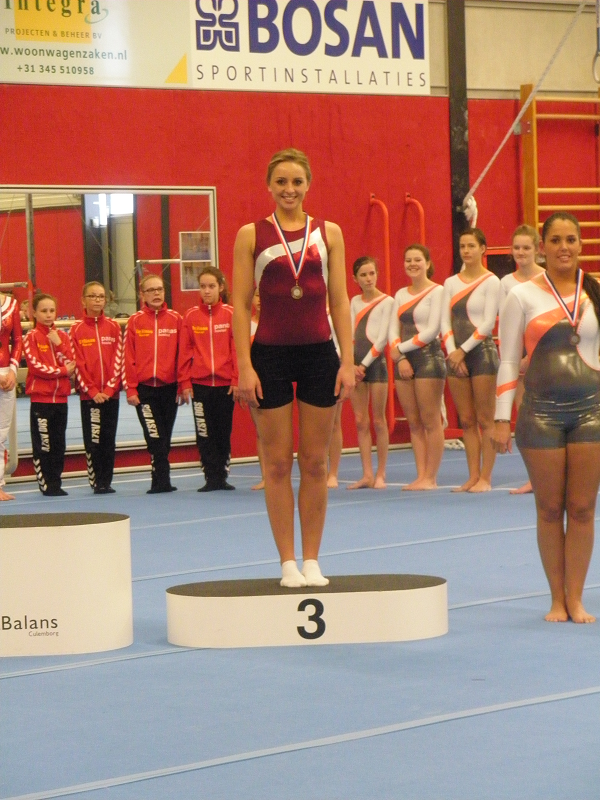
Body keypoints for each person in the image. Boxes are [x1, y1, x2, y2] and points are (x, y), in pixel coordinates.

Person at [232, 147, 354, 588]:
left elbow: (339, 300)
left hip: (320, 354)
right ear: (269, 186)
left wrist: (348, 361)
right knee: (278, 464)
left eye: (297, 182)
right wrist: (244, 366)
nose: (289, 189)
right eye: (281, 182)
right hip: (270, 356)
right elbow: (239, 304)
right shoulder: (251, 234)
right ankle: (287, 562)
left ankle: (313, 560)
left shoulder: (329, 233)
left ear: (308, 185)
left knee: (316, 462)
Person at [493, 211, 600, 623]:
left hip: (592, 411)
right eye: (555, 240)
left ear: (581, 245)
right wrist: (501, 418)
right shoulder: (521, 296)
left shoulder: (594, 292)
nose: (563, 248)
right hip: (541, 414)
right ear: (542, 247)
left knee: (584, 508)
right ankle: (557, 598)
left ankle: (577, 597)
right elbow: (507, 360)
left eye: (570, 240)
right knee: (550, 508)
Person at [441, 227, 500, 492]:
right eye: (463, 246)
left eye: (471, 246)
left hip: (481, 354)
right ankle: (472, 475)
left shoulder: (491, 281)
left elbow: (487, 323)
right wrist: (453, 352)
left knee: (485, 419)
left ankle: (486, 477)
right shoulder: (450, 283)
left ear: (482, 249)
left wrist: (462, 351)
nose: (466, 251)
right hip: (455, 356)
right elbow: (445, 322)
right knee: (466, 420)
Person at [389, 244, 445, 490]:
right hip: (403, 360)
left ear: (428, 263)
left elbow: (432, 330)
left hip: (428, 358)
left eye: (417, 260)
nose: (412, 264)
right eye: (408, 260)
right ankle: (420, 474)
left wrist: (400, 349)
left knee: (430, 419)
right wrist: (399, 358)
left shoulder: (438, 291)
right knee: (414, 421)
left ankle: (431, 477)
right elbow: (393, 329)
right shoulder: (400, 294)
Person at [179, 266, 238, 492]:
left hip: (225, 385)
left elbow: (236, 350)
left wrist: (236, 379)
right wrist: (185, 382)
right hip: (200, 385)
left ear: (220, 287)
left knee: (223, 431)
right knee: (204, 432)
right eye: (202, 286)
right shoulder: (191, 316)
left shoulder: (231, 314)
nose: (206, 291)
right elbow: (185, 351)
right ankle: (210, 477)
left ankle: (221, 476)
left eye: (211, 286)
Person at [123, 274, 182, 494]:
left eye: (160, 289)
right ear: (142, 295)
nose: (156, 293)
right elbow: (128, 356)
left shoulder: (176, 319)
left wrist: (182, 384)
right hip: (145, 390)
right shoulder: (135, 321)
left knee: (165, 436)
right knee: (154, 435)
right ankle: (162, 480)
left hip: (170, 388)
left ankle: (159, 480)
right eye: (151, 290)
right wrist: (131, 388)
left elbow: (183, 354)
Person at [500, 224, 545, 495]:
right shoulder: (506, 283)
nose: (521, 252)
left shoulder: (546, 277)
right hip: (517, 358)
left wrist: (531, 355)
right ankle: (533, 477)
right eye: (516, 247)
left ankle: (551, 476)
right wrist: (513, 359)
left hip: (543, 355)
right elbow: (507, 325)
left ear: (537, 249)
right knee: (526, 420)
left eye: (526, 247)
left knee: (545, 419)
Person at [70, 282, 122, 494]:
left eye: (101, 296)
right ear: (83, 300)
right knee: (94, 440)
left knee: (109, 439)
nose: (97, 300)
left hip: (111, 395)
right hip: (89, 396)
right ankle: (97, 480)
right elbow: (78, 363)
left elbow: (119, 359)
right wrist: (92, 391)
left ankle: (106, 481)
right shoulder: (76, 329)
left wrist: (109, 390)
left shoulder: (114, 327)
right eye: (92, 296)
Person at [348, 257, 393, 490]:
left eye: (371, 274)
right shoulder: (354, 301)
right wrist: (350, 364)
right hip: (355, 365)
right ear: (355, 279)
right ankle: (367, 473)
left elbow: (382, 338)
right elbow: (348, 334)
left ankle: (381, 473)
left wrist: (363, 366)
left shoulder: (387, 301)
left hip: (375, 365)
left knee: (378, 420)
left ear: (377, 274)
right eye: (363, 275)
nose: (368, 279)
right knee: (360, 421)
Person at [23, 293, 75, 496]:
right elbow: (36, 368)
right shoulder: (31, 337)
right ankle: (46, 484)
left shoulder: (62, 336)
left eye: (52, 310)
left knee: (59, 444)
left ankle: (56, 482)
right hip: (41, 400)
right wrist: (62, 372)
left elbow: (71, 363)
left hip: (61, 399)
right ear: (34, 313)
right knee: (44, 444)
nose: (48, 315)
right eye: (44, 311)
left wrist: (58, 344)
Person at [0, 289, 23, 500]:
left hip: (7, 373)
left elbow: (17, 340)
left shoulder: (12, 305)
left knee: (1, 433)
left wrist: (13, 371)